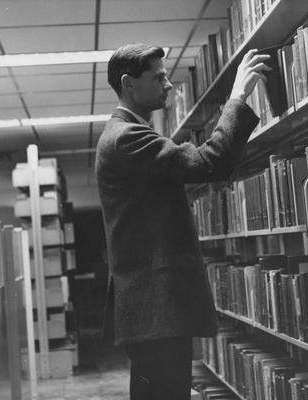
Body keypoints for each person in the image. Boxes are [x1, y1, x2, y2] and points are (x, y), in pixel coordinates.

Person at [95, 43, 271, 400]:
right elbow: (211, 161)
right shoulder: (126, 138)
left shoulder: (126, 134)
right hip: (154, 307)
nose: (169, 84)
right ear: (129, 84)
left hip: (151, 309)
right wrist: (237, 96)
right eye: (158, 77)